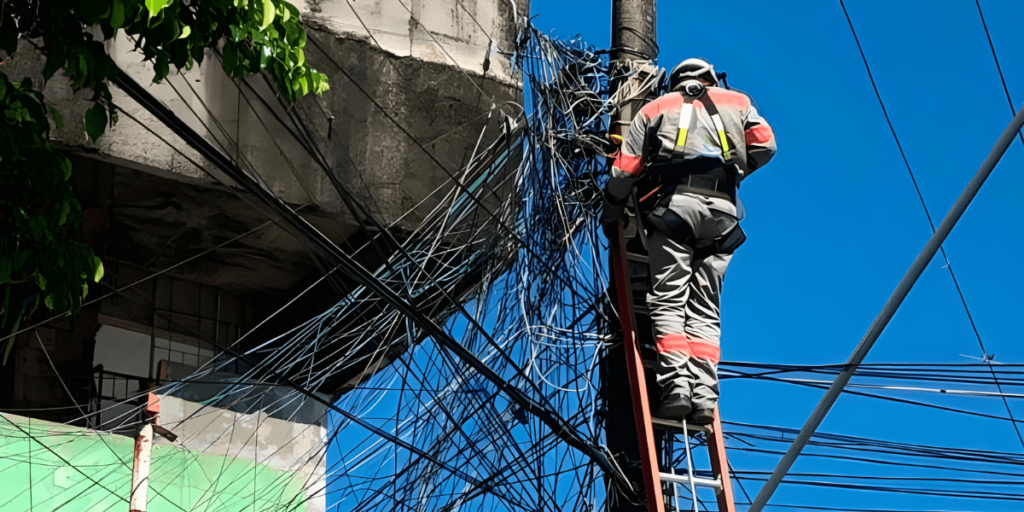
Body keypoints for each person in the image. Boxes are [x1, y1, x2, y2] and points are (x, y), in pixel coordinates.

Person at [601, 58, 776, 424]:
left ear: (676, 82)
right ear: (711, 79)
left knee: (668, 300)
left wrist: (612, 211)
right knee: (706, 309)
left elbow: (624, 170)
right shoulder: (738, 102)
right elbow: (765, 145)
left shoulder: (656, 108)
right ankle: (705, 394)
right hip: (724, 214)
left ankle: (677, 387)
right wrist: (734, 170)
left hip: (677, 209)